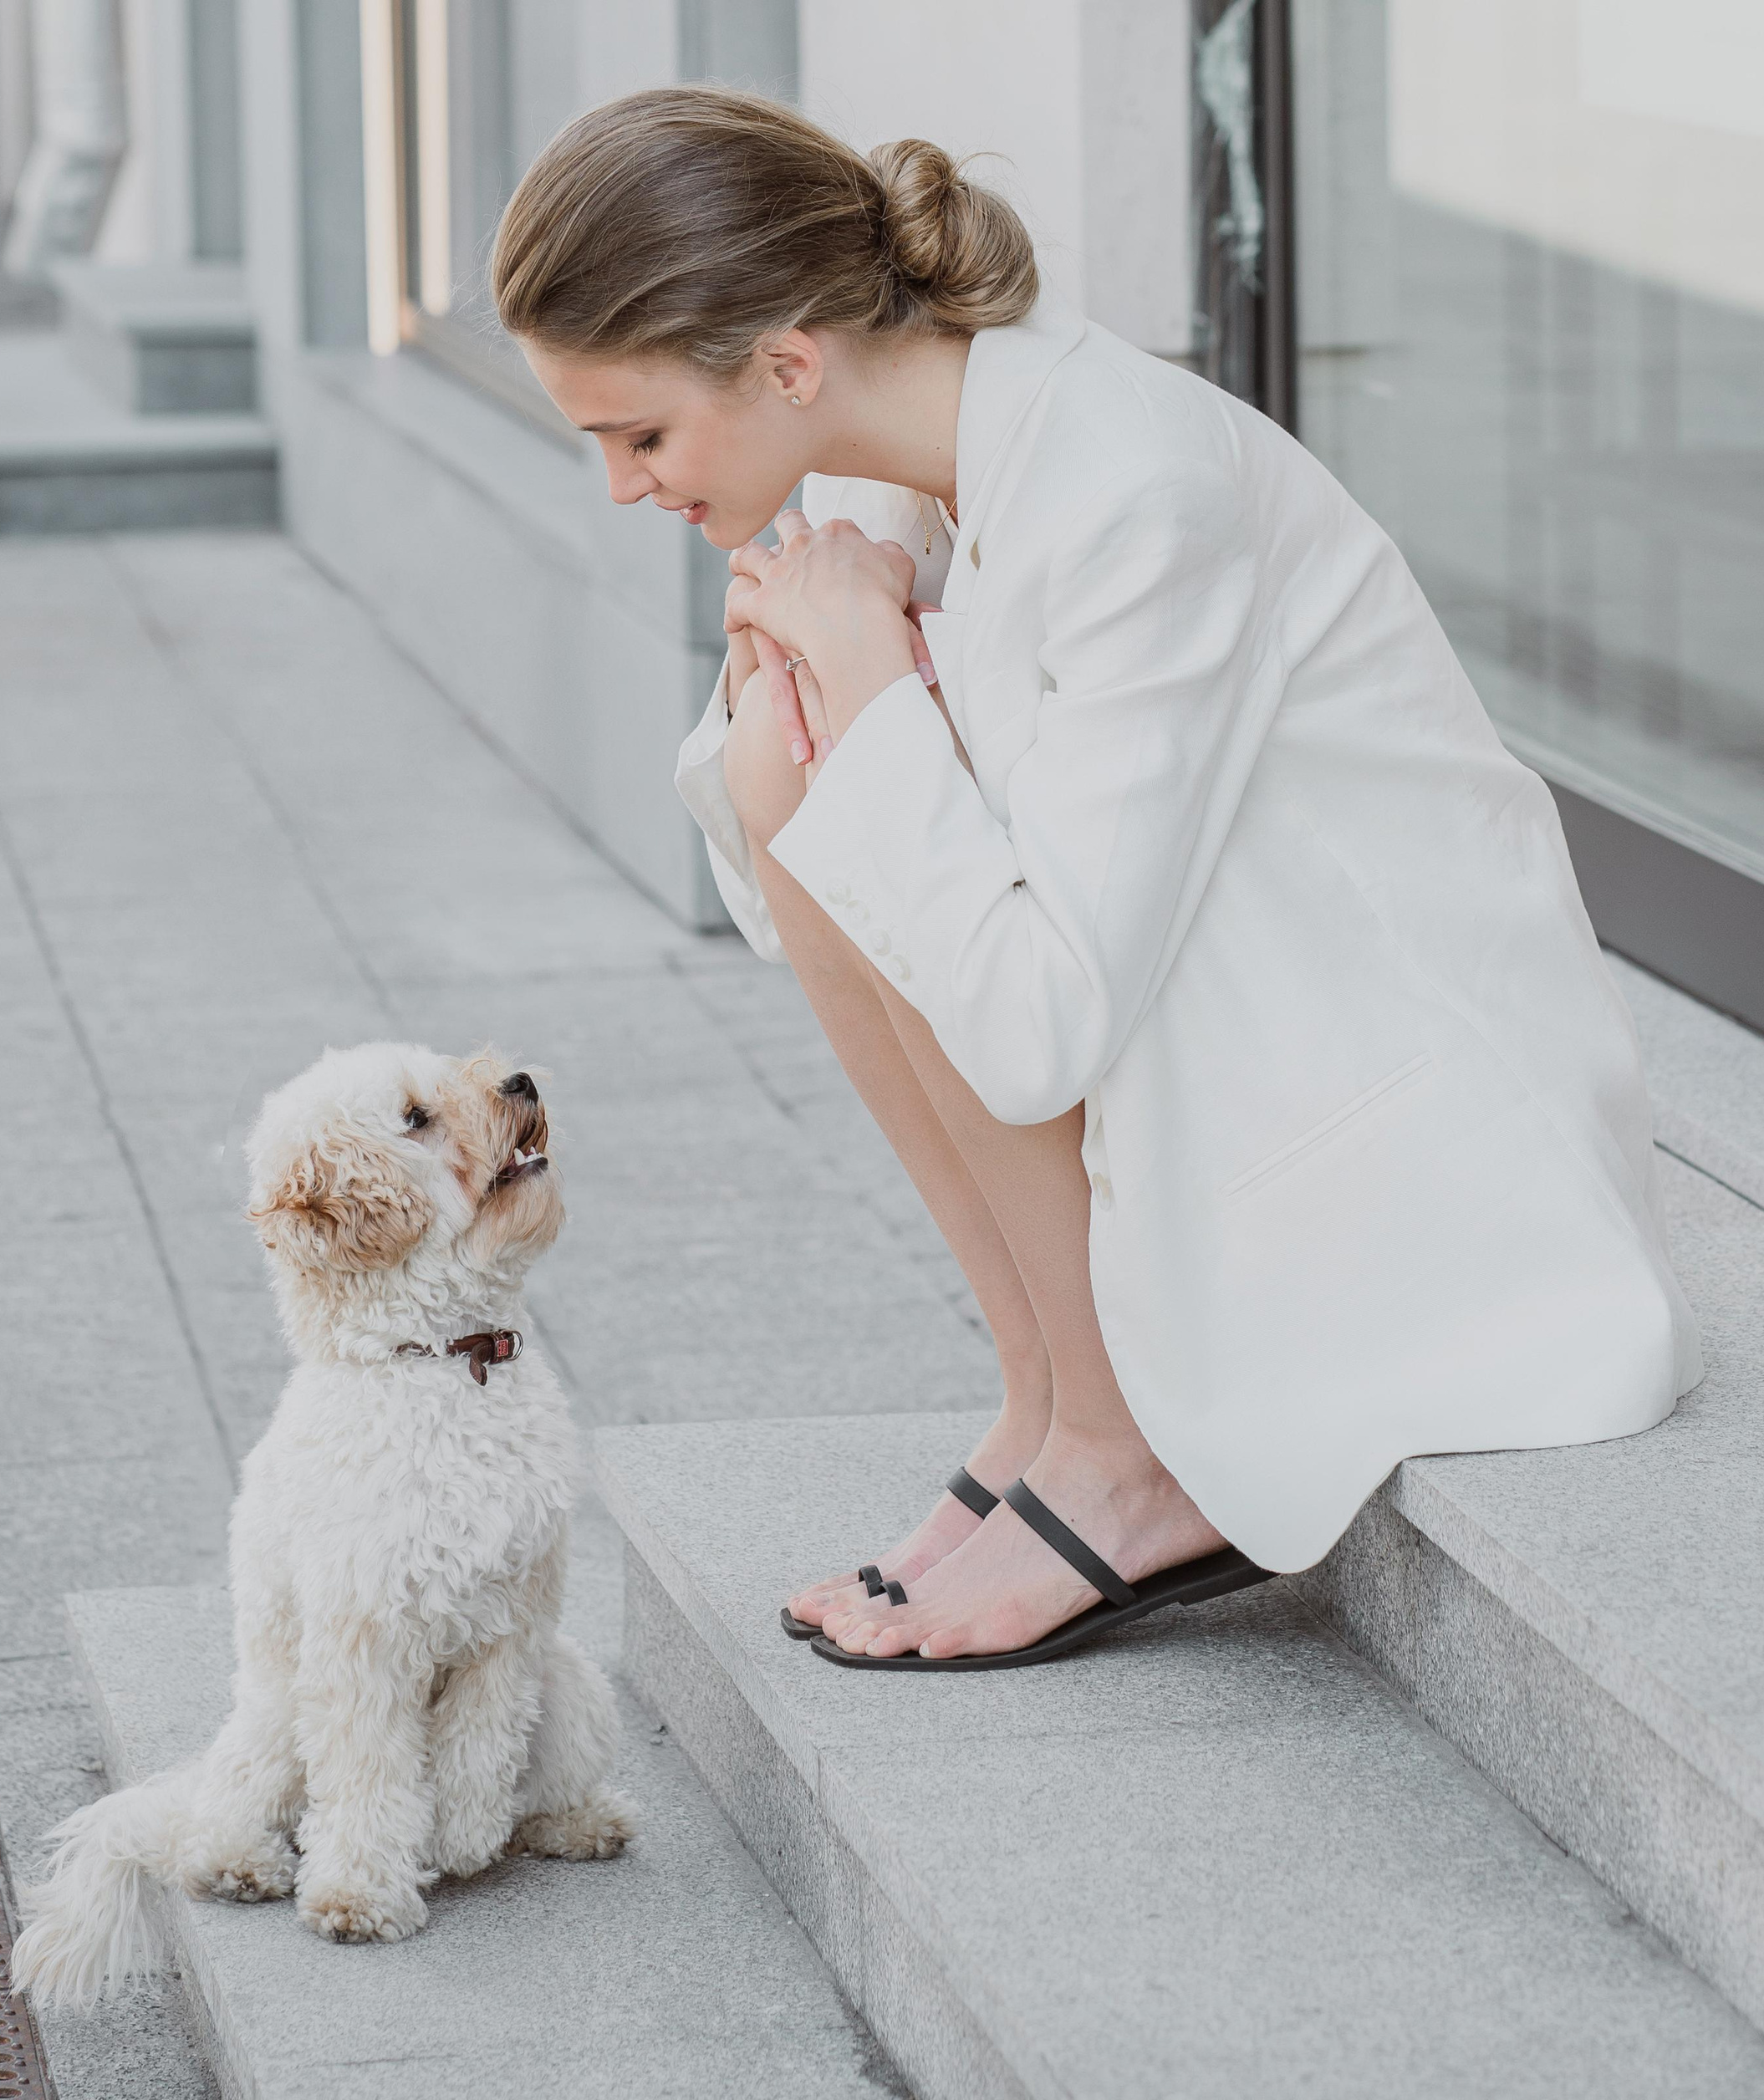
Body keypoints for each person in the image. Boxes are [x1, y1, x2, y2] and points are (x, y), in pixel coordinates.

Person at [492, 85, 1701, 1671]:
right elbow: (800, 882)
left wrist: (865, 679)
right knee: (797, 760)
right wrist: (809, 694)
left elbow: (1035, 1021)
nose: (624, 488)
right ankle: (1056, 1398)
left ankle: (1126, 1446)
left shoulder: (1135, 486)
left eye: (639, 435)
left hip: (1382, 1094)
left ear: (788, 362)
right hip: (1204, 1024)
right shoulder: (877, 471)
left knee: (858, 768)